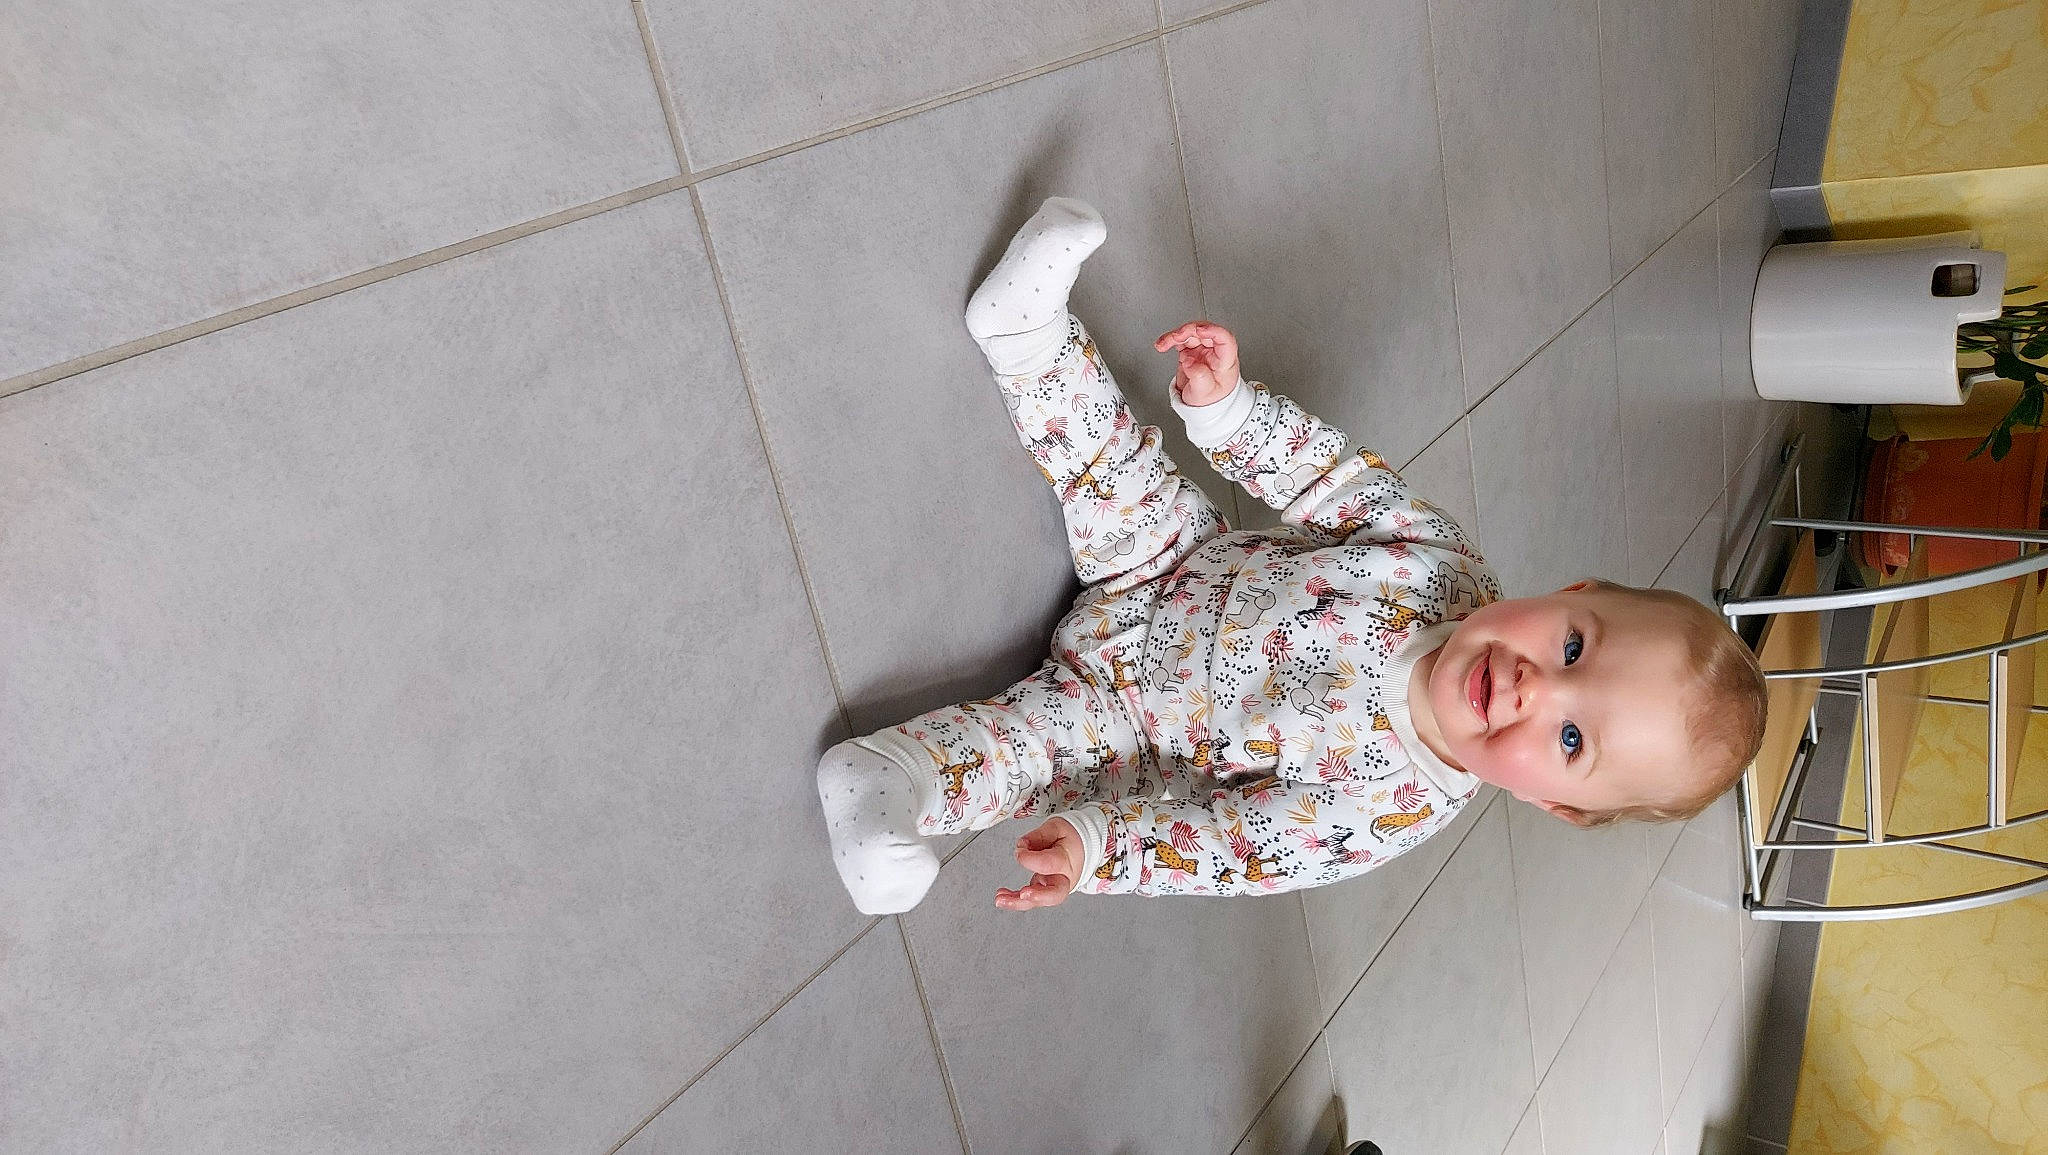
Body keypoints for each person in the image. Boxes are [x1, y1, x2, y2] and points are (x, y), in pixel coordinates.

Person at [816, 198, 1767, 915]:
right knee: (1116, 463)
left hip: (1126, 723)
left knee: (1022, 757)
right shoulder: (1446, 570)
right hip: (1174, 560)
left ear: (1554, 804)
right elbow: (1330, 481)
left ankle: (885, 783)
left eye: (1570, 739)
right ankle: (1027, 341)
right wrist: (1230, 411)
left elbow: (1231, 845)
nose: (1532, 687)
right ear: (1573, 591)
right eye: (1573, 648)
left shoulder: (1390, 808)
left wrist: (1101, 849)